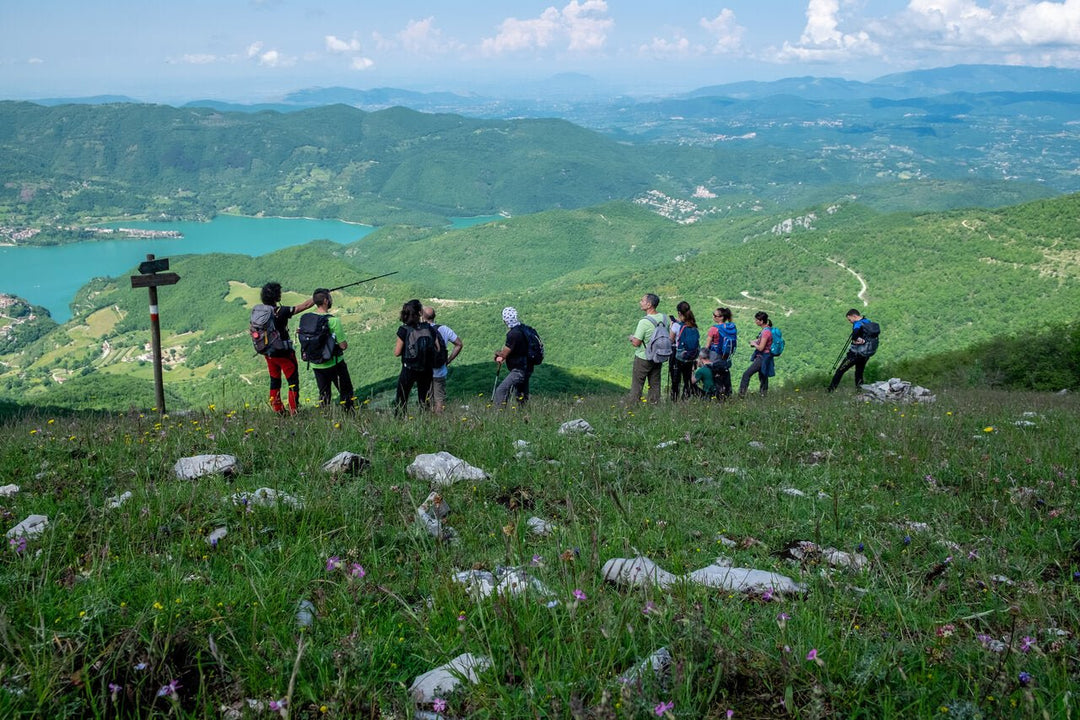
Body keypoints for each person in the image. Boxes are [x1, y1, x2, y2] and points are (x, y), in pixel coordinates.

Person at [259, 282, 314, 415]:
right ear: (276, 297)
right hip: (284, 353)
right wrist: (317, 296)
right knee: (293, 381)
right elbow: (305, 306)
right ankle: (293, 410)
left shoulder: (260, 311)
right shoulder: (281, 311)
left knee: (275, 380)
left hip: (269, 353)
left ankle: (277, 409)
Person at [309, 288, 355, 411]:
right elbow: (343, 346)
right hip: (335, 363)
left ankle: (325, 418)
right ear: (325, 301)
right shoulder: (333, 321)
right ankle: (350, 416)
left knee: (324, 395)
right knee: (346, 392)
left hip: (316, 365)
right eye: (329, 298)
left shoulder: (307, 319)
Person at [393, 299, 441, 413]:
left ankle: (400, 420)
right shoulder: (429, 328)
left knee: (402, 397)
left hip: (409, 368)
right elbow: (438, 348)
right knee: (424, 398)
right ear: (420, 312)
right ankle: (425, 420)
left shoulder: (404, 330)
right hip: (427, 369)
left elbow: (397, 352)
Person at [422, 305, 464, 413]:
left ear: (423, 317)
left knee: (426, 399)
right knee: (439, 399)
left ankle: (428, 421)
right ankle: (440, 421)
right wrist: (449, 360)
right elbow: (459, 344)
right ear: (434, 316)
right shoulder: (444, 329)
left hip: (424, 371)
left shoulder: (420, 330)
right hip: (440, 370)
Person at [627, 293, 666, 404]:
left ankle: (633, 406)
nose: (640, 302)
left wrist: (631, 338)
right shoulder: (663, 318)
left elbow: (636, 343)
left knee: (637, 384)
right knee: (655, 384)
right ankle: (654, 406)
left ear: (649, 305)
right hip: (658, 356)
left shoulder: (644, 322)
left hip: (643, 357)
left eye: (642, 300)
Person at [829, 309, 878, 392]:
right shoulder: (867, 321)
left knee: (840, 371)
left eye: (849, 319)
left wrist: (858, 340)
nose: (850, 321)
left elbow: (854, 335)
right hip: (865, 353)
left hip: (854, 354)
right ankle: (859, 391)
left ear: (854, 316)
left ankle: (830, 391)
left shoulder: (857, 324)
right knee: (859, 372)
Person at [493, 307, 533, 406]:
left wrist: (497, 355)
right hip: (527, 367)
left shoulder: (513, 334)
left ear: (505, 320)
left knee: (501, 391)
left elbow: (504, 354)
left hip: (519, 369)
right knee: (521, 395)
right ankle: (524, 415)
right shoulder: (523, 328)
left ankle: (499, 416)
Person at [738, 311, 774, 397]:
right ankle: (763, 395)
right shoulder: (768, 329)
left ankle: (741, 394)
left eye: (757, 320)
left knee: (746, 374)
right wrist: (756, 342)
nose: (755, 321)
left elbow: (761, 348)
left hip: (762, 357)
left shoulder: (765, 332)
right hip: (767, 357)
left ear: (761, 321)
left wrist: (754, 344)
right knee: (763, 376)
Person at [669, 301, 698, 401]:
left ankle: (674, 399)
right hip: (691, 357)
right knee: (687, 378)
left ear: (679, 313)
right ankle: (686, 397)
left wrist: (671, 327)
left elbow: (671, 340)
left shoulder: (676, 326)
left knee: (676, 379)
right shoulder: (693, 325)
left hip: (679, 356)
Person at [706, 307, 737, 399]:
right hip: (726, 356)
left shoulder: (714, 329)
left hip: (715, 355)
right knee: (725, 374)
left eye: (715, 315)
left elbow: (707, 345)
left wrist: (701, 357)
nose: (713, 317)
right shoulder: (731, 327)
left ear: (721, 317)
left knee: (715, 375)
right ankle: (728, 394)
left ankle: (717, 395)